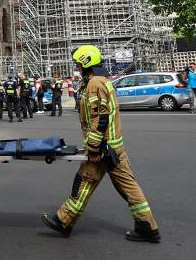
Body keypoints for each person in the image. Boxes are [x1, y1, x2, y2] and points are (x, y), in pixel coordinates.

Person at [42, 45, 161, 243]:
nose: (77, 67)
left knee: (84, 181)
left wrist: (94, 147)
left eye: (78, 63)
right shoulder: (101, 81)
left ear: (86, 62)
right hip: (113, 146)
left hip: (103, 148)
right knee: (128, 187)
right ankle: (147, 227)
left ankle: (64, 221)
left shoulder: (95, 83)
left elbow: (100, 117)